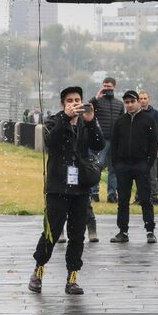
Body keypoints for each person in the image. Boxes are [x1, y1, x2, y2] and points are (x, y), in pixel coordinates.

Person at [30, 86, 104, 295]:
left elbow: (98, 144)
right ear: (63, 104)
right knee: (51, 232)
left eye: (77, 99)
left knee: (77, 234)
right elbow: (51, 144)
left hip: (80, 188)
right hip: (57, 187)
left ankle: (72, 278)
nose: (74, 103)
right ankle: (38, 271)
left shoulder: (84, 123)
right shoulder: (54, 121)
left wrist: (91, 122)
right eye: (70, 100)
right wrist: (65, 118)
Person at [109, 90, 158, 243]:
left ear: (138, 102)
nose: (130, 105)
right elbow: (114, 144)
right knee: (123, 200)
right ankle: (122, 231)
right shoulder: (120, 121)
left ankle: (150, 230)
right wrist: (117, 165)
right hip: (123, 165)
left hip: (141, 164)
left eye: (132, 102)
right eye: (127, 102)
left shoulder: (148, 120)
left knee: (145, 198)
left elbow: (154, 143)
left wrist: (148, 164)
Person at [89, 77, 124, 202]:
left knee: (113, 169)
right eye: (105, 86)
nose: (107, 88)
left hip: (115, 141)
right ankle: (94, 193)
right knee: (96, 167)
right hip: (101, 140)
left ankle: (112, 194)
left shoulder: (119, 104)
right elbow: (87, 110)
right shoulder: (97, 102)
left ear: (114, 86)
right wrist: (96, 98)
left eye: (109, 86)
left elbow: (122, 123)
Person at [138, 90, 158, 205]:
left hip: (151, 147)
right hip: (138, 148)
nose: (143, 101)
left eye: (144, 98)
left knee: (152, 173)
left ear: (148, 99)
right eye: (141, 99)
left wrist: (157, 147)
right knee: (138, 173)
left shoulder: (154, 114)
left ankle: (154, 196)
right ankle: (139, 197)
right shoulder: (135, 113)